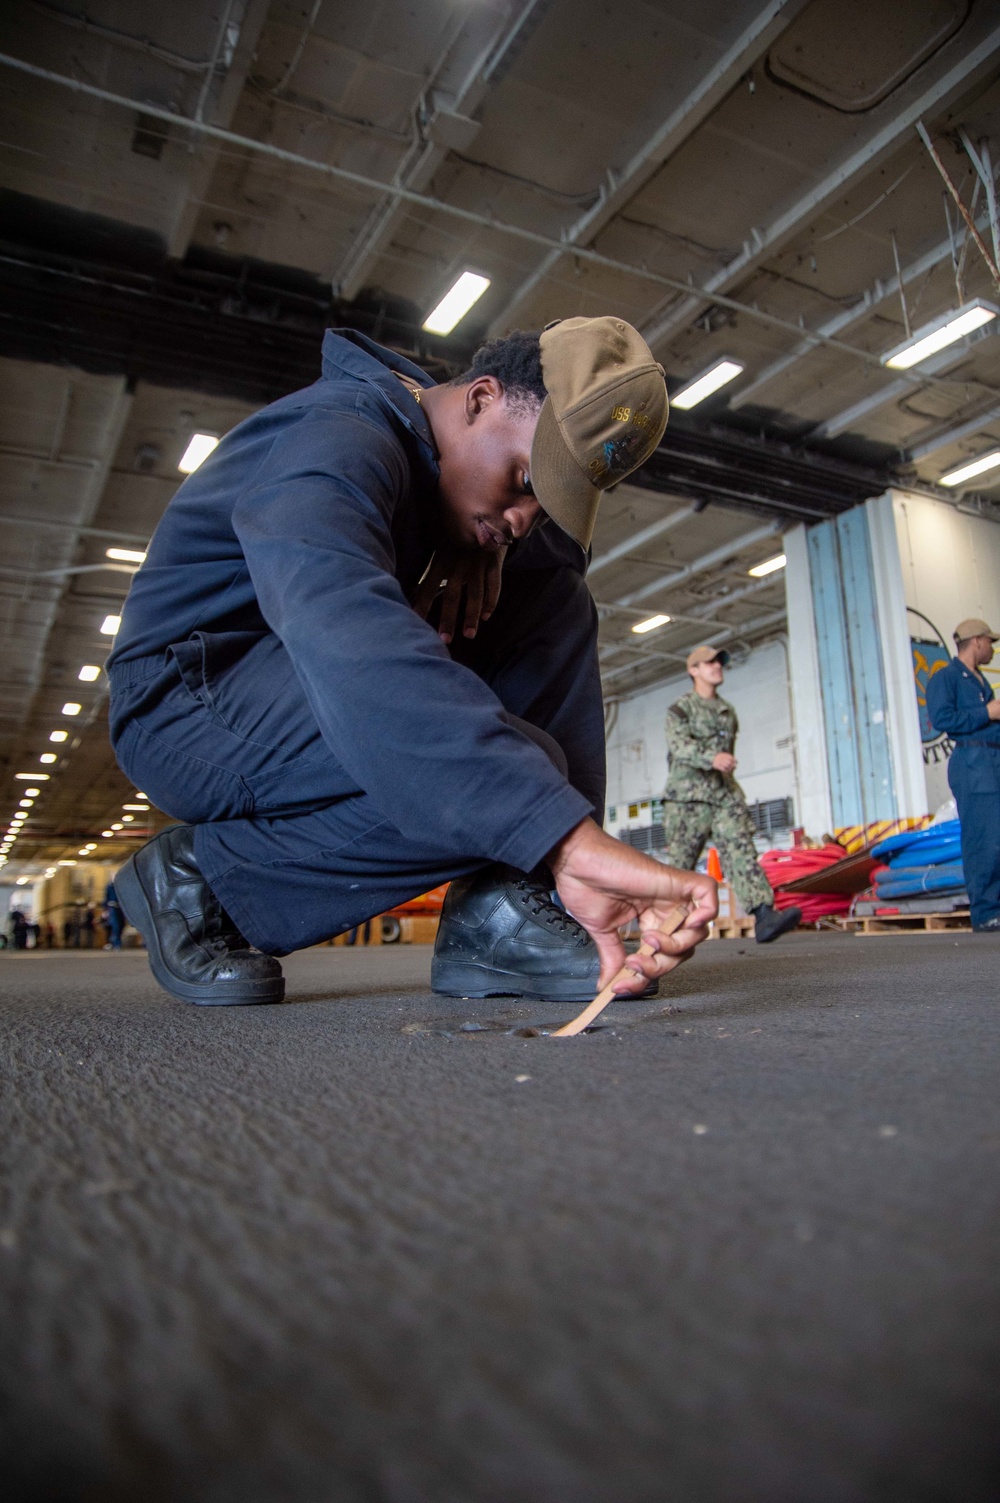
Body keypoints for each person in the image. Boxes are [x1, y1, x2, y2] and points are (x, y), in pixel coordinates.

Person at [107, 317, 718, 1007]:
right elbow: (344, 639)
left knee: (552, 586)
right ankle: (201, 879)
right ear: (480, 398)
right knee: (510, 771)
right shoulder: (335, 435)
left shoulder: (454, 468)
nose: (520, 516)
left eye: (542, 505)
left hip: (293, 681)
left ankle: (505, 910)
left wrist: (479, 533)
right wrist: (563, 837)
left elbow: (511, 529)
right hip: (190, 697)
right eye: (522, 479)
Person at [661, 646, 801, 944]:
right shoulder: (680, 709)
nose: (717, 666)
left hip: (724, 795)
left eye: (719, 662)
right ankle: (663, 927)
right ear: (693, 670)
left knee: (742, 851)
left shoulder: (728, 712)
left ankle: (764, 914)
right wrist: (712, 757)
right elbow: (679, 747)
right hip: (688, 798)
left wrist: (721, 766)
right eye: (709, 662)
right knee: (678, 868)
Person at [926, 617, 1000, 932]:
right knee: (984, 839)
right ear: (976, 641)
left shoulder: (978, 680)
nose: (993, 649)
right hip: (973, 762)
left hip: (991, 759)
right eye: (990, 643)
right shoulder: (947, 678)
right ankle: (986, 913)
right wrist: (988, 712)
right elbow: (942, 718)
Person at [103, 880, 125, 950]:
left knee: (121, 925)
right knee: (116, 925)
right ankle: (116, 943)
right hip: (113, 907)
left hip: (121, 907)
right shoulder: (110, 887)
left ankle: (115, 942)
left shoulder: (121, 886)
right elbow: (106, 897)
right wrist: (105, 909)